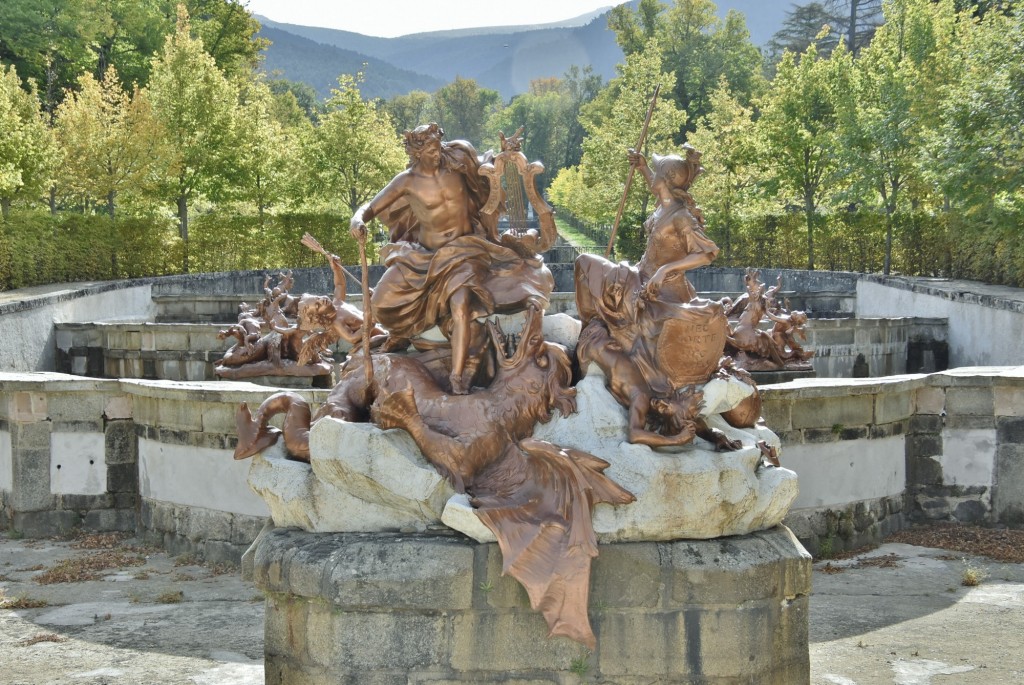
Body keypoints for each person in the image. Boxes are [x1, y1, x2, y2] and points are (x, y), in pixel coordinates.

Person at [350, 122, 552, 394]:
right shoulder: (406, 181)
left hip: (466, 250)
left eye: (438, 146)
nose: (438, 152)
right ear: (417, 153)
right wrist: (357, 220)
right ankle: (406, 334)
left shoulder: (458, 161)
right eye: (432, 149)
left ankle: (457, 379)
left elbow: (488, 169)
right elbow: (369, 208)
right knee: (380, 303)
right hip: (425, 257)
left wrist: (505, 155)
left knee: (460, 305)